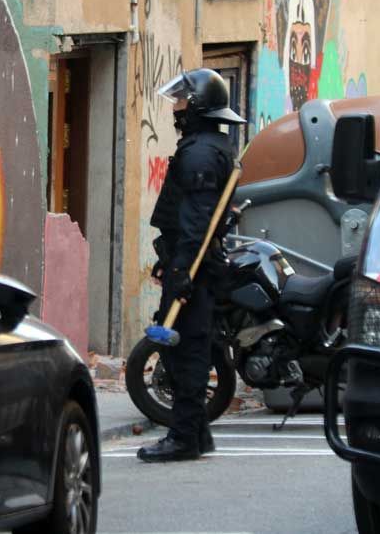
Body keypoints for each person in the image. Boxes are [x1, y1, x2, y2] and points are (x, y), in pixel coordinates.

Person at [138, 68, 245, 463]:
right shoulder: (206, 146)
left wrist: (182, 270)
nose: (178, 108)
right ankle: (197, 433)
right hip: (188, 262)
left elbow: (197, 219)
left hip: (195, 266)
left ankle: (184, 437)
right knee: (186, 344)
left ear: (199, 106)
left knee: (187, 349)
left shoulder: (200, 151)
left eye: (184, 101)